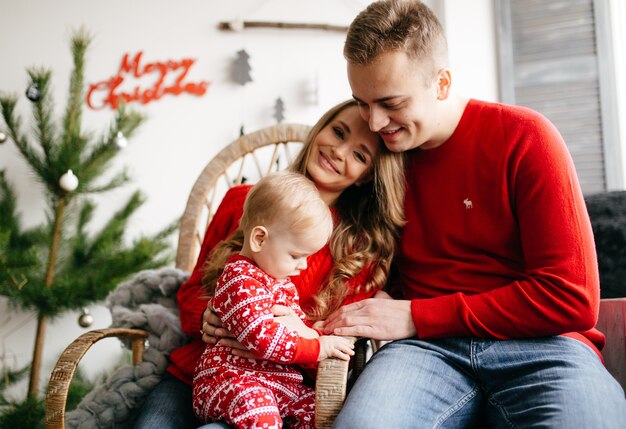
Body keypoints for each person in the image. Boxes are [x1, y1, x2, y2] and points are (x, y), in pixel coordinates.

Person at [320, 1, 626, 427]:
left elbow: (571, 299)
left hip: (544, 347)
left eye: (390, 102)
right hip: (425, 352)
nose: (373, 122)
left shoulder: (526, 137)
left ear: (442, 83)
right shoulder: (379, 158)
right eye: (362, 102)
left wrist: (415, 314)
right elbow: (312, 236)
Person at [133, 99, 405, 429]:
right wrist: (209, 317)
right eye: (338, 132)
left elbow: (338, 351)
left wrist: (295, 331)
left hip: (275, 392)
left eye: (359, 155)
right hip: (198, 372)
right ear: (321, 127)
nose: (338, 151)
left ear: (366, 177)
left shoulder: (359, 252)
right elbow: (191, 292)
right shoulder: (242, 200)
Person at [193, 171, 355, 428]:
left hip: (276, 383)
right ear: (259, 239)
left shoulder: (281, 283)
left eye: (307, 257)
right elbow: (262, 337)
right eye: (295, 255)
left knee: (318, 413)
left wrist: (310, 333)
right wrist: (318, 347)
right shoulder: (240, 280)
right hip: (230, 381)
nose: (303, 266)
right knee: (260, 412)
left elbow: (295, 329)